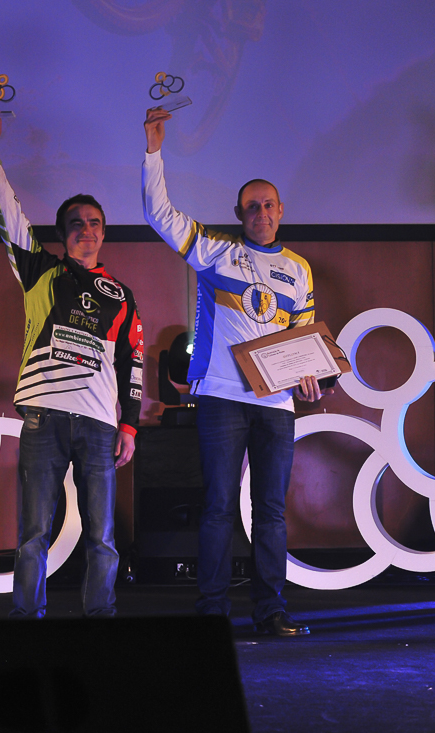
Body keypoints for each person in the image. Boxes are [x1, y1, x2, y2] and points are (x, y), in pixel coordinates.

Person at [141, 108, 324, 636]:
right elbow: (158, 213)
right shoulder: (216, 252)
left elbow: (303, 341)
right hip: (222, 398)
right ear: (238, 213)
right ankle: (213, 609)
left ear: (280, 210)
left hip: (277, 406)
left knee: (271, 512)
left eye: (268, 205)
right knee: (219, 507)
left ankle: (271, 610)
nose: (260, 212)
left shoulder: (299, 269)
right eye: (251, 206)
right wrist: (154, 149)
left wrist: (309, 379)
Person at [0, 109, 144, 619]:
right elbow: (9, 215)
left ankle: (100, 616)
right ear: (61, 233)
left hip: (98, 423)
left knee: (102, 535)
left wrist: (130, 426)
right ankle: (27, 616)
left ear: (104, 233)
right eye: (76, 224)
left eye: (94, 224)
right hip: (43, 417)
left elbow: (133, 363)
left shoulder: (121, 295)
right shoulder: (39, 270)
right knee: (33, 533)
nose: (86, 231)